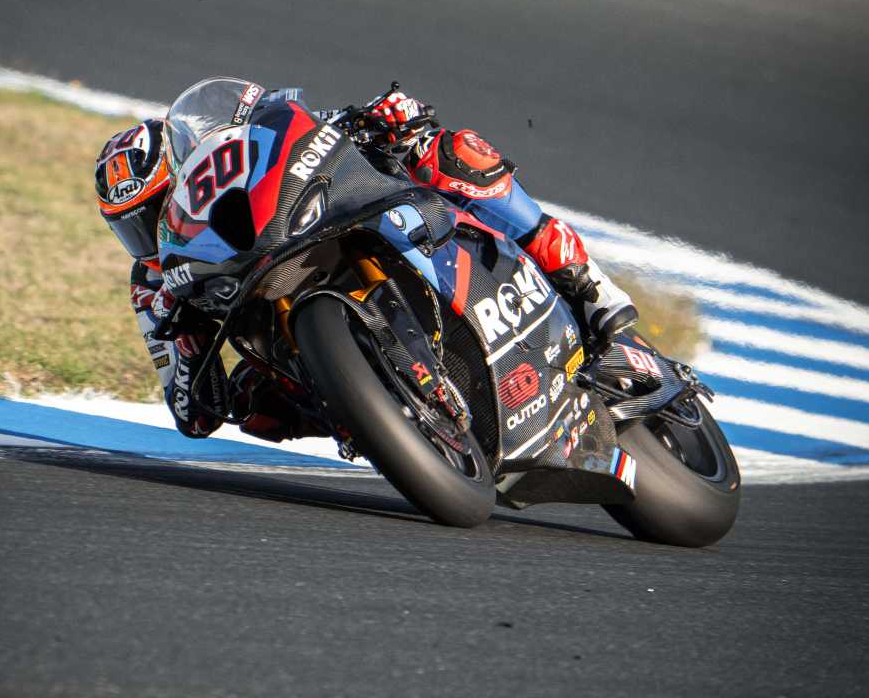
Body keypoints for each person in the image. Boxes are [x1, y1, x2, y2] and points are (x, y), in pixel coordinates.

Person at [94, 86, 636, 444]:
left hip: (305, 225)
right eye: (132, 228)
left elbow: (306, 129)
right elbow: (192, 414)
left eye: (156, 209)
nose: (151, 233)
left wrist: (382, 117)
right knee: (255, 407)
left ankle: (589, 289)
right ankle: (368, 416)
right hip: (272, 322)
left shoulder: (236, 160)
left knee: (448, 152)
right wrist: (185, 348)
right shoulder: (153, 287)